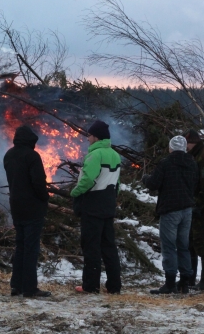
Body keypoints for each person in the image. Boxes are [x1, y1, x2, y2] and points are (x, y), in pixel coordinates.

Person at [70, 120, 122, 294]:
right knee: (109, 247)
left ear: (96, 136)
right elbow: (118, 183)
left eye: (89, 135)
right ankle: (114, 286)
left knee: (91, 247)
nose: (87, 139)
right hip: (108, 205)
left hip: (92, 206)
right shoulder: (115, 155)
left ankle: (90, 286)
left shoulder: (95, 155)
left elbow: (87, 179)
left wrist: (75, 193)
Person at [143, 135, 198, 294]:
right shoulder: (192, 163)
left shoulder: (166, 163)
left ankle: (170, 283)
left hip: (170, 210)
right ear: (185, 147)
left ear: (171, 148)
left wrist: (145, 178)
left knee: (169, 247)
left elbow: (154, 184)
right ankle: (185, 283)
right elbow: (195, 184)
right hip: (187, 210)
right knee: (183, 246)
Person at [4, 126, 51, 298]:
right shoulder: (32, 156)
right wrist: (45, 198)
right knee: (31, 247)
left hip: (16, 206)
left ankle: (16, 285)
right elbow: (39, 182)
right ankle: (30, 288)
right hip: (33, 207)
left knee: (21, 246)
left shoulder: (9, 155)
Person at [183, 129, 204, 290]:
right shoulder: (195, 156)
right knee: (190, 241)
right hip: (194, 205)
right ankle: (190, 277)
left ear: (193, 143)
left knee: (203, 242)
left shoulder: (203, 158)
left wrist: (199, 205)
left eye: (187, 144)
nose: (185, 147)